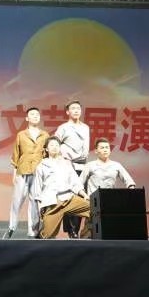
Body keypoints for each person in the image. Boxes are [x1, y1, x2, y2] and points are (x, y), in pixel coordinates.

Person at [31, 135, 92, 239]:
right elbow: (37, 191)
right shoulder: (41, 166)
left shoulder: (66, 163)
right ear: (46, 149)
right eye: (52, 145)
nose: (54, 147)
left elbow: (75, 182)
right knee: (47, 235)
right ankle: (41, 237)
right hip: (53, 203)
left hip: (70, 198)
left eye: (57, 145)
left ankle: (85, 237)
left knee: (94, 210)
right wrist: (40, 208)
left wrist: (84, 195)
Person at [3, 106, 48, 239]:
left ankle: (33, 230)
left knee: (35, 201)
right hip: (23, 170)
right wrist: (14, 172)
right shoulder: (21, 134)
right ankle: (11, 227)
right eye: (32, 114)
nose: (35, 116)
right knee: (17, 200)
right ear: (27, 118)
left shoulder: (45, 135)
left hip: (38, 171)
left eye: (37, 114)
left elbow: (47, 154)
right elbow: (16, 154)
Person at [54, 100, 91, 237]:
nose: (76, 110)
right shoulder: (63, 127)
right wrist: (62, 157)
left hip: (83, 165)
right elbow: (54, 144)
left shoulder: (85, 127)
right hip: (69, 165)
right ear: (67, 112)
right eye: (73, 108)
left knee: (82, 196)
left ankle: (77, 229)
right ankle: (71, 229)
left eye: (78, 108)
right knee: (69, 196)